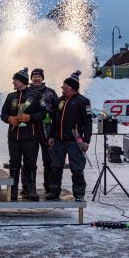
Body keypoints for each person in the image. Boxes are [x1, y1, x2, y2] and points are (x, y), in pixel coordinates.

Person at [1, 67, 46, 201]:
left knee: (30, 163)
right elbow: (3, 114)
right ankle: (13, 190)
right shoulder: (11, 96)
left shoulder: (36, 95)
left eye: (15, 80)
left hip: (30, 137)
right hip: (14, 137)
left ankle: (32, 190)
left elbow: (43, 113)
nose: (13, 82)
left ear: (22, 81)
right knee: (14, 163)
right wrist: (9, 119)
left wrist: (29, 117)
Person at [47, 70, 92, 202]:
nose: (62, 87)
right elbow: (54, 121)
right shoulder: (60, 100)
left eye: (64, 86)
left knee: (77, 169)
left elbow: (88, 122)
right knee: (55, 167)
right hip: (59, 141)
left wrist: (86, 140)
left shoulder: (83, 101)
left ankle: (79, 195)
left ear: (71, 87)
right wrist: (51, 136)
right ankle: (54, 192)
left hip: (74, 142)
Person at [23, 68, 59, 194]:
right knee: (28, 160)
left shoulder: (51, 93)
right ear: (31, 79)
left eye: (39, 76)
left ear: (43, 78)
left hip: (47, 131)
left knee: (48, 160)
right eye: (34, 76)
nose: (37, 79)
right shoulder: (26, 92)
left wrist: (54, 133)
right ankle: (27, 186)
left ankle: (49, 186)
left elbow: (57, 114)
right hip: (30, 129)